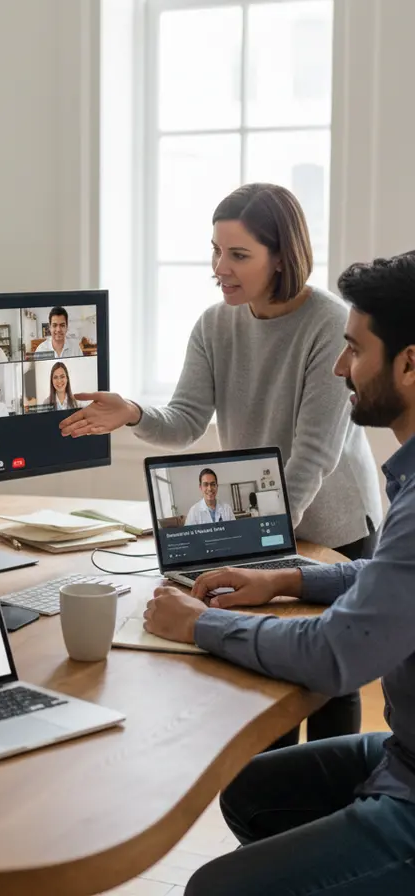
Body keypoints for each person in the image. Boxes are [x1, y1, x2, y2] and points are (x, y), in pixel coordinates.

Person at [59, 183, 383, 745]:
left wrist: (261, 549)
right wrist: (132, 411)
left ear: (281, 256)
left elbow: (313, 456)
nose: (219, 268)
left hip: (333, 526)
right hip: (259, 524)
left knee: (330, 680)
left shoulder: (329, 324)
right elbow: (185, 419)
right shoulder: (215, 324)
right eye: (215, 251)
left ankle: (330, 800)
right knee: (260, 666)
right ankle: (271, 802)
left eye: (238, 255)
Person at [144, 252, 415, 896]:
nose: (339, 366)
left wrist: (200, 625)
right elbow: (389, 582)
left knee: (214, 888)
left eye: (354, 350)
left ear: (410, 364)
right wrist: (287, 580)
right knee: (252, 789)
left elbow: (335, 653)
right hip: (403, 754)